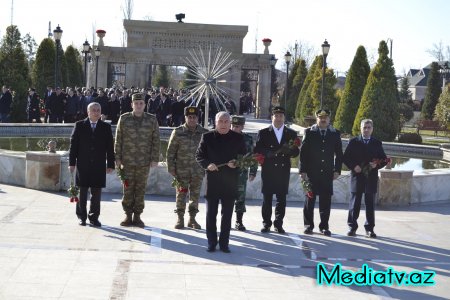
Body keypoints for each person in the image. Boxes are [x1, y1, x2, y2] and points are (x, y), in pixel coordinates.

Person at [196, 111, 246, 253]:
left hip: (230, 181)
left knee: (227, 214)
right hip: (213, 181)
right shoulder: (207, 137)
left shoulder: (238, 138)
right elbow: (199, 156)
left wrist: (236, 163)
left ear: (230, 123)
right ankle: (211, 242)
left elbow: (244, 157)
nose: (223, 124)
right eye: (221, 121)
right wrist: (207, 164)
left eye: (226, 121)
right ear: (216, 122)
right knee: (211, 214)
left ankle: (224, 243)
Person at [115, 92, 160, 228]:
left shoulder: (152, 120)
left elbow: (156, 140)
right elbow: (118, 139)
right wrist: (117, 157)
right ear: (132, 104)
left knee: (140, 189)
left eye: (141, 103)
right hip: (127, 162)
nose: (139, 105)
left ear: (145, 105)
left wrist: (154, 158)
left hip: (143, 162)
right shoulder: (124, 119)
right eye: (136, 103)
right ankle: (128, 215)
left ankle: (138, 216)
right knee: (127, 188)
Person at [254, 106, 299, 234]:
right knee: (267, 199)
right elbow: (257, 149)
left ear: (284, 118)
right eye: (276, 116)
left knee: (281, 199)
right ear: (272, 117)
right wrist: (267, 153)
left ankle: (278, 224)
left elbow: (296, 152)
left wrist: (290, 151)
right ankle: (266, 223)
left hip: (283, 170)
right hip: (268, 169)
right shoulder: (263, 133)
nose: (278, 118)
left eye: (281, 116)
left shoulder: (291, 133)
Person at [69, 102, 115, 227]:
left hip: (98, 165)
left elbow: (110, 147)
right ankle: (82, 217)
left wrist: (111, 164)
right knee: (82, 192)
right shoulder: (79, 125)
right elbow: (73, 146)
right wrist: (71, 163)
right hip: (83, 164)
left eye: (98, 110)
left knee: (96, 193)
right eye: (93, 110)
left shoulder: (105, 127)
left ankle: (94, 218)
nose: (96, 112)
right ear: (88, 112)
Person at [299, 109, 343, 236]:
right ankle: (308, 226)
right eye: (320, 118)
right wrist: (302, 170)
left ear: (329, 119)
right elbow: (303, 154)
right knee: (309, 201)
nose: (323, 120)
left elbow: (339, 154)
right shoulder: (309, 132)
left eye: (325, 118)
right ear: (316, 119)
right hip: (311, 173)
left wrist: (337, 169)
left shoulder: (335, 134)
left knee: (325, 201)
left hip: (327, 173)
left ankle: (324, 226)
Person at [343, 119, 388, 238]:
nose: (366, 129)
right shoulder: (353, 142)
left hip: (371, 178)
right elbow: (346, 158)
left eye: (369, 127)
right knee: (355, 204)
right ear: (360, 128)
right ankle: (352, 227)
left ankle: (369, 229)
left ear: (372, 129)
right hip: (357, 177)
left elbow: (383, 159)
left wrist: (376, 165)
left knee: (370, 205)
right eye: (364, 127)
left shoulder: (377, 143)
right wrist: (354, 166)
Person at [166, 106, 208, 229]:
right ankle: (180, 218)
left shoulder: (204, 133)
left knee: (195, 196)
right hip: (181, 170)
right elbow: (170, 152)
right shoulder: (178, 132)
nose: (191, 119)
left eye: (194, 117)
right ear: (185, 117)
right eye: (189, 117)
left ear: (197, 118)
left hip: (197, 171)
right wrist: (171, 168)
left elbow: (208, 153)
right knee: (181, 194)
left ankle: (192, 219)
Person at [230, 115, 257, 231]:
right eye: (233, 126)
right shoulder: (224, 137)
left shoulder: (247, 139)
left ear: (242, 126)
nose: (235, 128)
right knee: (227, 198)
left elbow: (253, 156)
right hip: (226, 174)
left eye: (237, 126)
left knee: (240, 198)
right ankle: (225, 220)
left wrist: (253, 172)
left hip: (241, 173)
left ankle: (239, 221)